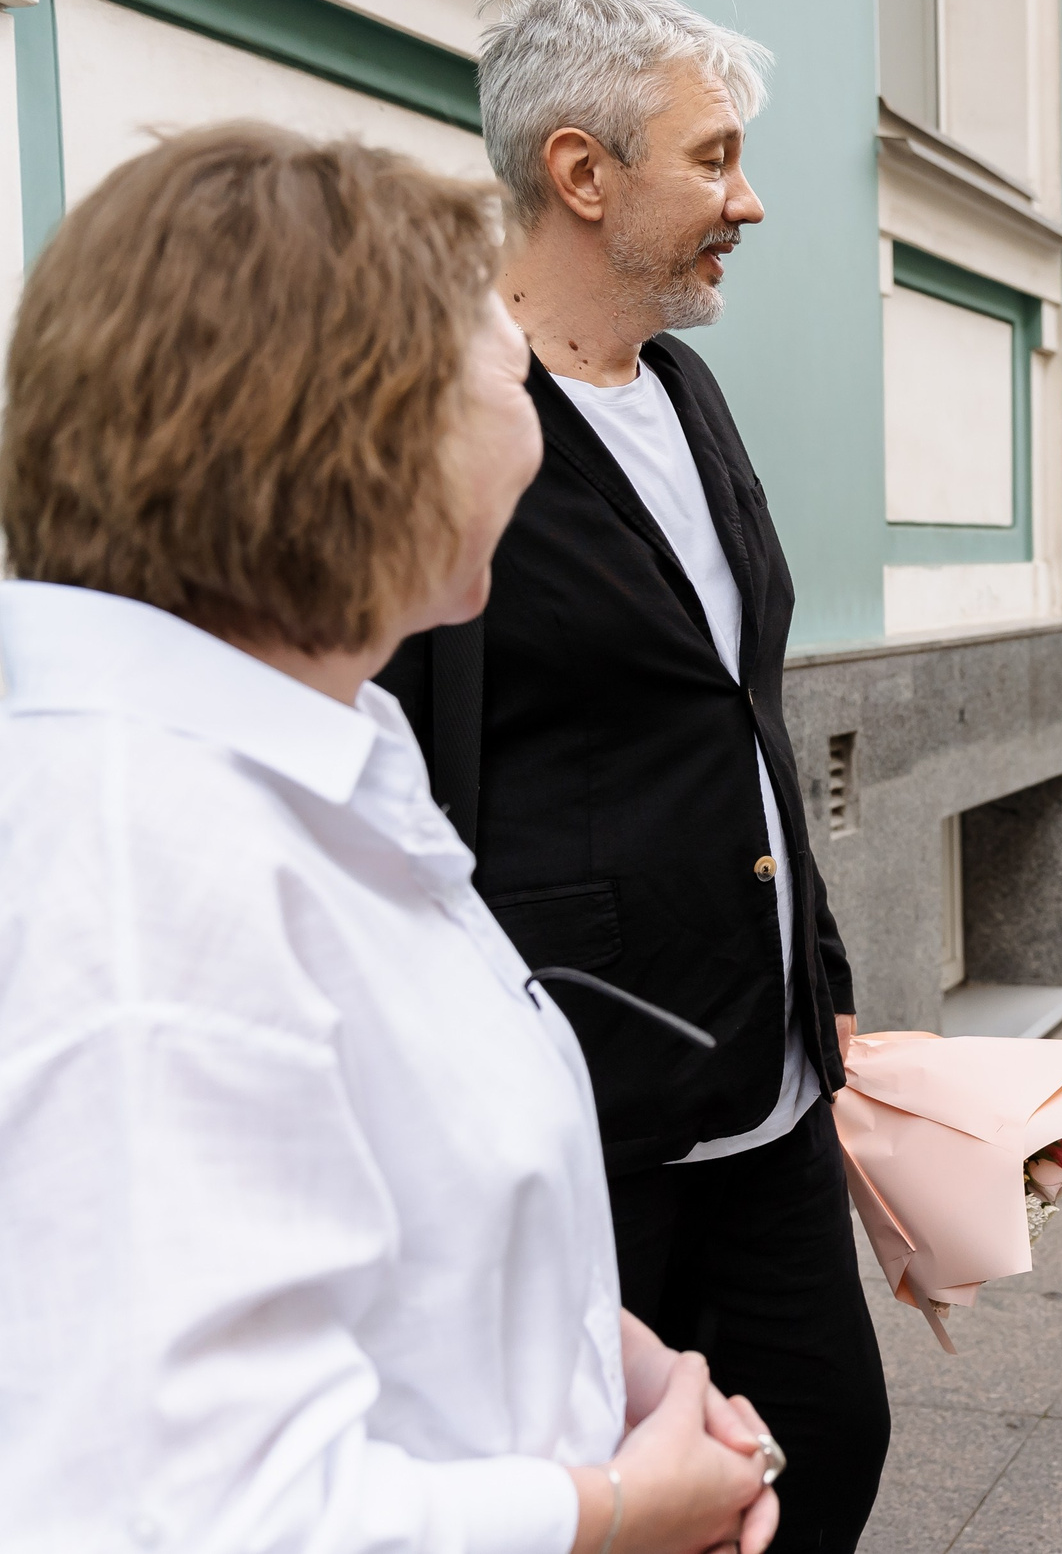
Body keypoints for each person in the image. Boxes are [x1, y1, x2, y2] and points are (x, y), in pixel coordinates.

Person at [0, 124, 781, 1550]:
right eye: (503, 355)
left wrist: (631, 1368)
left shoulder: (324, 751)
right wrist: (614, 1506)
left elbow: (398, 1199)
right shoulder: (142, 863)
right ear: (363, 424)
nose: (534, 402)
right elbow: (179, 1511)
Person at [376, 0, 888, 1550]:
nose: (749, 200)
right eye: (714, 158)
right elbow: (402, 760)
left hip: (769, 1069)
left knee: (827, 1441)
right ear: (583, 175)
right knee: (610, 1486)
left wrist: (823, 960)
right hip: (585, 1092)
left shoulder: (687, 388)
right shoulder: (448, 415)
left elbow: (744, 712)